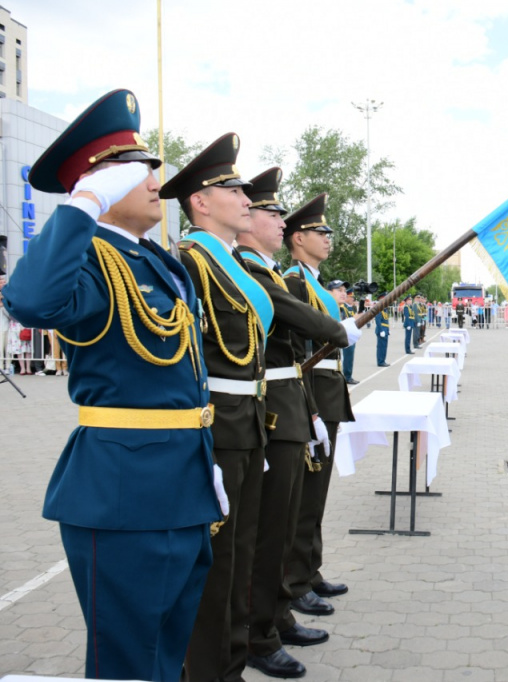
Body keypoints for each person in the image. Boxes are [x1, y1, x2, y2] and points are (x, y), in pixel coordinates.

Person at [3, 89, 221, 680]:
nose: (156, 181)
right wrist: (79, 210)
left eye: (152, 167)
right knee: (127, 661)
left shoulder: (157, 261)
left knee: (168, 653)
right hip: (125, 491)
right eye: (136, 170)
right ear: (94, 185)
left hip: (184, 479)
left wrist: (207, 462)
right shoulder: (91, 257)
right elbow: (28, 301)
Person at [162, 133, 272, 682]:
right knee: (217, 563)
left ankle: (231, 664)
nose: (245, 196)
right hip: (216, 428)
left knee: (242, 555)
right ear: (200, 202)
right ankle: (206, 672)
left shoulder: (232, 264)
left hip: (247, 423)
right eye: (232, 187)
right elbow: (182, 357)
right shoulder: (188, 261)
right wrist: (195, 442)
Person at [236, 169, 353, 678]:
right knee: (271, 528)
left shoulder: (269, 273)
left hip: (297, 397)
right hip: (270, 404)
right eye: (272, 213)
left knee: (290, 517)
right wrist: (337, 328)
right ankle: (268, 620)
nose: (280, 222)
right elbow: (298, 336)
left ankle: (280, 607)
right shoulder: (261, 274)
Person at [281, 194, 358, 627]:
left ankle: (309, 570)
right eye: (319, 233)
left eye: (328, 232)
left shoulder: (313, 281)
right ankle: (295, 582)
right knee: (303, 497)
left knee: (316, 495)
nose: (327, 239)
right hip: (311, 390)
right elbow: (297, 350)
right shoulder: (293, 281)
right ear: (298, 238)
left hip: (327, 388)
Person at [375, 292, 391, 366]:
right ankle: (380, 361)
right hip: (381, 329)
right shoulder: (378, 307)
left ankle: (383, 360)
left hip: (385, 329)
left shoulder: (385, 308)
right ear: (381, 299)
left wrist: (388, 329)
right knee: (381, 346)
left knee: (384, 346)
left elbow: (386, 320)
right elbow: (377, 320)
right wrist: (381, 330)